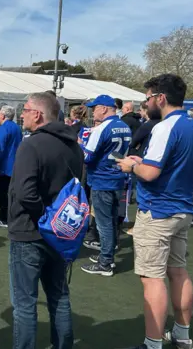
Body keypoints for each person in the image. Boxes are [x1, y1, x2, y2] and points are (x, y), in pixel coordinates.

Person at [117, 74, 193, 349]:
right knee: (178, 271)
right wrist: (143, 163)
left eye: (148, 97)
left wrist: (131, 165)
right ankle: (182, 334)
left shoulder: (165, 127)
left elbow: (151, 173)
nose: (147, 103)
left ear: (160, 98)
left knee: (152, 278)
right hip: (182, 208)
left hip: (158, 210)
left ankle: (152, 343)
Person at [8, 92, 82, 349]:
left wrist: (44, 219)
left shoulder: (31, 144)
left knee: (25, 303)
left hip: (31, 231)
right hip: (61, 233)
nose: (22, 114)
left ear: (37, 114)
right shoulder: (74, 145)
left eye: (25, 109)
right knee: (59, 297)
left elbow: (25, 192)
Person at [80, 94, 131, 277]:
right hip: (118, 177)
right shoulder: (124, 126)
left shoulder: (102, 128)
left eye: (95, 108)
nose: (93, 112)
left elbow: (87, 157)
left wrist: (81, 146)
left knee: (104, 222)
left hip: (102, 179)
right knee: (110, 220)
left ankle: (106, 261)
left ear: (104, 108)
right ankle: (107, 254)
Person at [0, 105, 22, 228]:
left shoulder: (4, 128)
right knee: (10, 193)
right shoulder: (16, 127)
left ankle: (4, 218)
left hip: (4, 167)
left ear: (2, 115)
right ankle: (10, 216)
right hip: (14, 165)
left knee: (1, 193)